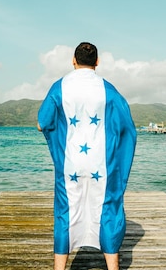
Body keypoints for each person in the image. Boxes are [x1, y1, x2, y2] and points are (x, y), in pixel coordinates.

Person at [37, 42, 137, 270]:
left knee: (65, 211)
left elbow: (42, 123)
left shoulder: (59, 87)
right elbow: (127, 128)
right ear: (97, 62)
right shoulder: (109, 90)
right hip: (102, 163)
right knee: (107, 208)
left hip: (70, 163)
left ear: (73, 60)